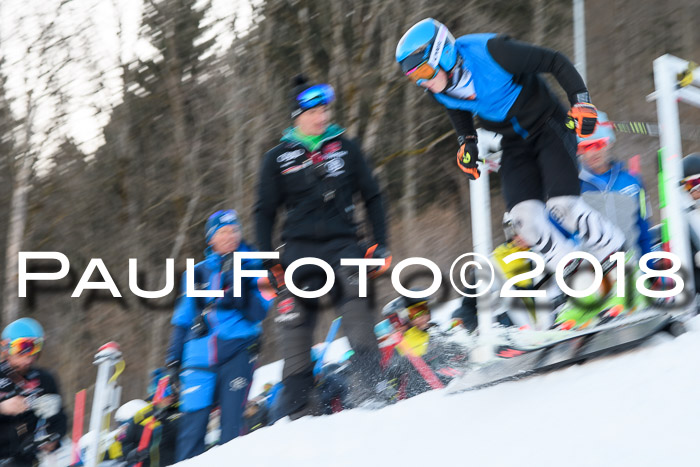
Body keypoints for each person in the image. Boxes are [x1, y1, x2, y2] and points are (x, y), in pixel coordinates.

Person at [395, 19, 627, 289]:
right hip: (513, 142)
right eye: (414, 78)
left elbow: (555, 61)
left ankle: (615, 254)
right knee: (524, 220)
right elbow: (455, 106)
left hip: (548, 126)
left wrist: (581, 102)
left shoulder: (493, 52)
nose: (422, 82)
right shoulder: (436, 88)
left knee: (562, 206)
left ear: (443, 54)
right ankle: (581, 282)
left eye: (423, 70)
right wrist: (466, 141)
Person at [254, 75, 391, 419]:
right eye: (313, 111)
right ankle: (299, 410)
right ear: (296, 115)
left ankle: (371, 389)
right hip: (298, 250)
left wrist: (380, 243)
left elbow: (372, 195)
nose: (321, 116)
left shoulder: (346, 146)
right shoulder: (277, 157)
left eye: (325, 109)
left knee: (358, 311)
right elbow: (263, 212)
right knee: (295, 327)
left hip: (345, 244)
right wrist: (268, 261)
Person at [165, 210, 272, 461]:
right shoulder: (195, 273)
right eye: (223, 231)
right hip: (198, 357)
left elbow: (258, 313)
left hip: (238, 350)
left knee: (232, 429)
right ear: (210, 238)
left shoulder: (259, 264)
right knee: (191, 431)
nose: (230, 236)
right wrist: (172, 362)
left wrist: (238, 281)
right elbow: (182, 321)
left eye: (234, 230)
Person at [578, 112, 653, 261]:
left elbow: (643, 230)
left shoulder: (632, 182)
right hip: (591, 273)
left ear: (609, 142)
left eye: (598, 144)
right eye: (586, 147)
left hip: (630, 268)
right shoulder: (572, 187)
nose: (593, 153)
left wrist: (651, 272)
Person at [0, 318, 67, 466]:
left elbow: (59, 417)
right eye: (20, 353)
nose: (27, 360)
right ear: (6, 350)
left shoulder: (45, 380)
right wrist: (2, 408)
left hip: (24, 460)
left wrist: (54, 439)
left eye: (33, 352)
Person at [382, 296, 469, 400]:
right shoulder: (404, 344)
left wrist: (459, 335)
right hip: (422, 395)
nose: (421, 317)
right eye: (414, 314)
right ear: (407, 319)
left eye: (423, 310)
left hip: (451, 388)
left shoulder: (436, 332)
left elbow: (456, 352)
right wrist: (391, 393)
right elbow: (394, 373)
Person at [118, 369, 180, 467]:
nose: (171, 396)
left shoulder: (179, 411)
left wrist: (164, 421)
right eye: (167, 393)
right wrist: (131, 454)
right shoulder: (142, 415)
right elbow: (125, 442)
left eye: (173, 392)